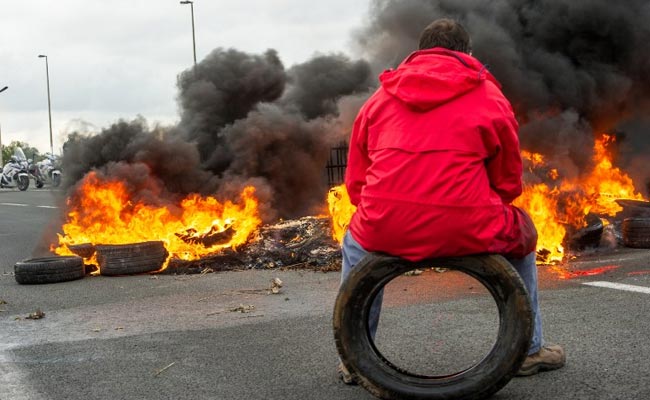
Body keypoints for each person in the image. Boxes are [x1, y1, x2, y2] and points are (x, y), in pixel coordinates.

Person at [338, 18, 565, 384]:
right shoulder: (490, 96)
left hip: (385, 224)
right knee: (524, 239)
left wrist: (389, 212)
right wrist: (473, 206)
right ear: (467, 54)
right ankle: (529, 351)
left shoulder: (377, 99)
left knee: (354, 246)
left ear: (418, 53)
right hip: (468, 224)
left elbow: (356, 183)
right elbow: (507, 182)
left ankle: (353, 357)